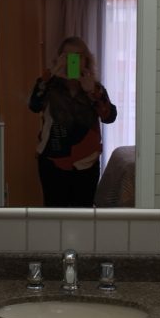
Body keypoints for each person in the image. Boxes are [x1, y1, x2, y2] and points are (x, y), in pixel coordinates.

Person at [29, 37, 117, 207]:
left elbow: (109, 117)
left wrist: (92, 92)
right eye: (67, 56)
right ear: (59, 58)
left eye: (78, 56)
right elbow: (34, 105)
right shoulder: (49, 85)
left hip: (86, 163)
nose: (72, 61)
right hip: (52, 162)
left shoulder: (95, 88)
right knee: (54, 212)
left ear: (86, 60)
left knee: (82, 213)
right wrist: (51, 75)